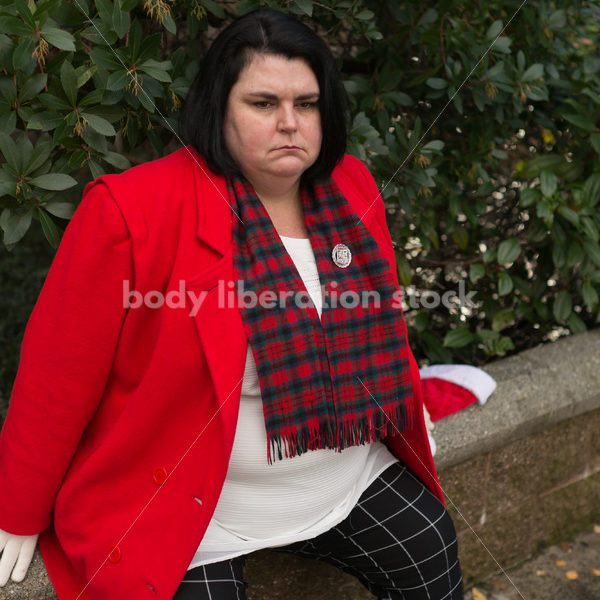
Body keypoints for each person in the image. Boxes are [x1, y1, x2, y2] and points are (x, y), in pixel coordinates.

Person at [0, 9, 463, 600]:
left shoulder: (352, 186)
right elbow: (57, 377)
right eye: (264, 104)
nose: (291, 124)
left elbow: (378, 322)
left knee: (432, 550)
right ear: (219, 108)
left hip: (340, 478)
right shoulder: (132, 211)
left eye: (308, 103)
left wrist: (405, 394)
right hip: (195, 508)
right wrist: (19, 508)